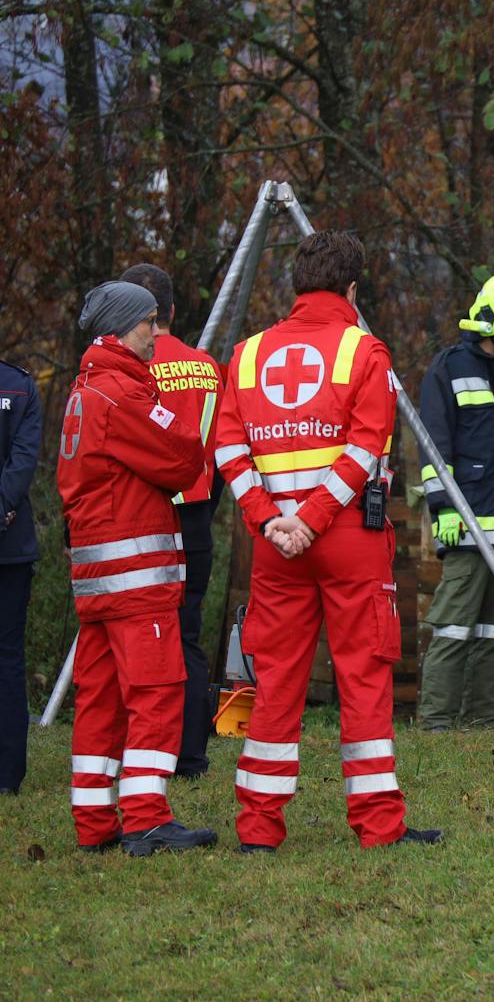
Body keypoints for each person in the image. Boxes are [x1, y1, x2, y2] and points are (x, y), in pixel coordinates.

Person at [213, 230, 440, 851]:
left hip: (273, 544)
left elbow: (229, 449)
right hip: (346, 539)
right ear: (351, 288)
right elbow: (367, 449)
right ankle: (378, 826)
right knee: (363, 679)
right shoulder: (364, 352)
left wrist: (269, 520)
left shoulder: (248, 353)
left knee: (277, 681)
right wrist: (311, 520)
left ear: (295, 287)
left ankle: (258, 828)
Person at [56, 280, 215, 855]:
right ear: (121, 328)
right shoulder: (121, 394)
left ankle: (95, 821)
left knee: (99, 698)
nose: (156, 331)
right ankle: (147, 815)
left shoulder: (86, 389)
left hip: (98, 580)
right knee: (156, 689)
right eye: (148, 322)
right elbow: (182, 457)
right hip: (136, 579)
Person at [416, 270, 494, 731]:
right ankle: (436, 724)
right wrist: (443, 508)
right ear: (491, 319)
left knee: (493, 632)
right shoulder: (449, 368)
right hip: (468, 524)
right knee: (453, 629)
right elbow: (433, 446)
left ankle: (483, 722)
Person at [124, 263, 223, 778]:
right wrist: (207, 508)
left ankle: (143, 753)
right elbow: (223, 453)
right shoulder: (207, 367)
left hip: (146, 519)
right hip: (198, 518)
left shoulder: (130, 366)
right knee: (187, 636)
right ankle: (191, 755)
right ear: (172, 311)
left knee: (140, 637)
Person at [0, 353, 41, 795]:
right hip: (11, 542)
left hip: (9, 545)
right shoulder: (19, 385)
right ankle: (7, 774)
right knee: (7, 657)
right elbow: (24, 461)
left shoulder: (20, 385)